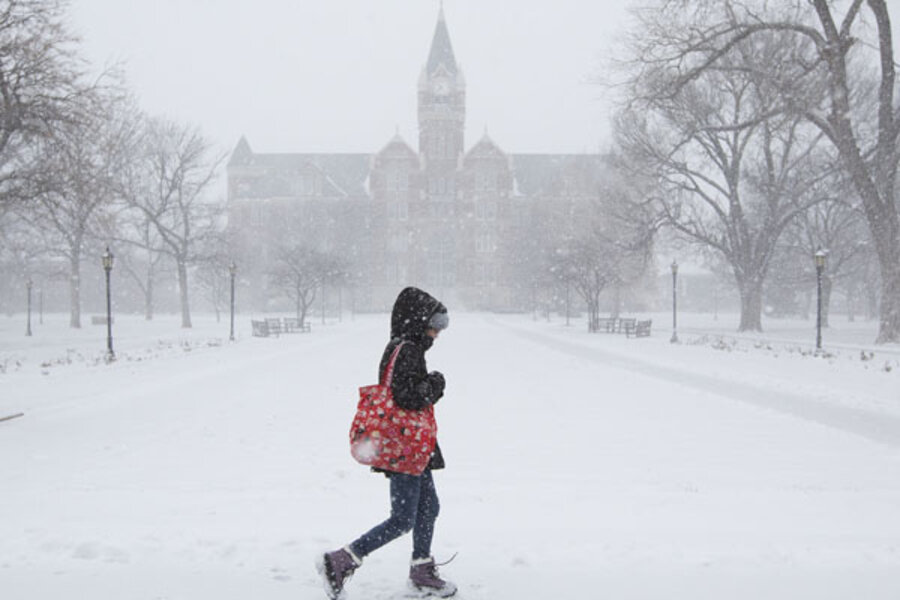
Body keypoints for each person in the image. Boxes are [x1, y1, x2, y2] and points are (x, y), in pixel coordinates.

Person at [318, 287, 456, 599]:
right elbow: (407, 397)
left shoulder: (403, 346)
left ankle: (422, 569)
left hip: (412, 447)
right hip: (405, 447)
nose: (437, 332)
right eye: (435, 325)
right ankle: (342, 560)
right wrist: (435, 383)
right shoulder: (407, 350)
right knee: (402, 519)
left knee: (429, 507)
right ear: (419, 321)